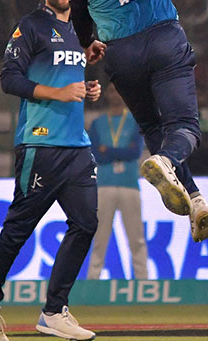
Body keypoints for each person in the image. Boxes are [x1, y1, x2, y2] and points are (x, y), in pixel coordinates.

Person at [65, 0, 208, 242]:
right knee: (185, 128)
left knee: (152, 128)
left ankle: (195, 200)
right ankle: (167, 163)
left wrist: (89, 45)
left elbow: (82, 25)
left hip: (121, 53)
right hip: (163, 39)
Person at [0, 0, 101, 341]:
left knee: (86, 223)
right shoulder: (32, 25)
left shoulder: (79, 30)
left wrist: (86, 89)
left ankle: (54, 311)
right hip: (40, 142)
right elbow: (9, 78)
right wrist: (58, 92)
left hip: (76, 146)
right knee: (18, 230)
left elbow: (68, 78)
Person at [87, 82, 147, 280]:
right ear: (106, 93)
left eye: (119, 89)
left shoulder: (135, 121)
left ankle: (142, 282)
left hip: (130, 184)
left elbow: (135, 152)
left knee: (136, 238)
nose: (116, 94)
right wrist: (118, 152)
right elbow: (96, 154)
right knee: (99, 238)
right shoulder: (97, 123)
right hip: (104, 185)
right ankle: (93, 282)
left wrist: (108, 151)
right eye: (112, 90)